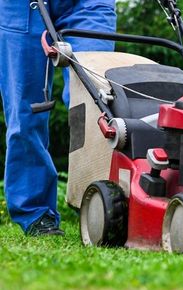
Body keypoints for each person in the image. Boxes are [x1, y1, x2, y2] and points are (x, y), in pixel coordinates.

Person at [0, 1, 117, 236]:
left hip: (87, 4)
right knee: (26, 112)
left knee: (97, 101)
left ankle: (103, 205)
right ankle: (35, 213)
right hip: (20, 7)